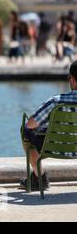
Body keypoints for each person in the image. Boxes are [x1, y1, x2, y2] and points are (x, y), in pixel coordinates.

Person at [20, 61, 77, 191]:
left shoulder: (56, 101)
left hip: (55, 147)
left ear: (72, 80)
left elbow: (31, 124)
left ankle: (39, 178)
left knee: (26, 129)